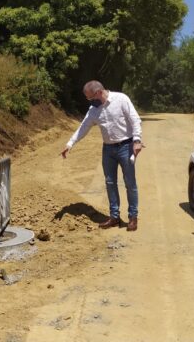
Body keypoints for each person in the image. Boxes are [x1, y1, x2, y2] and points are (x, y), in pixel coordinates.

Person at [60, 80, 143, 231]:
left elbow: (135, 119)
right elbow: (83, 127)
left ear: (99, 92)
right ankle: (114, 217)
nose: (90, 101)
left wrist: (137, 140)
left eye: (90, 98)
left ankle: (133, 217)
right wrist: (70, 144)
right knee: (110, 183)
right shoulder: (94, 109)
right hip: (108, 150)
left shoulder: (121, 99)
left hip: (126, 146)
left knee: (130, 183)